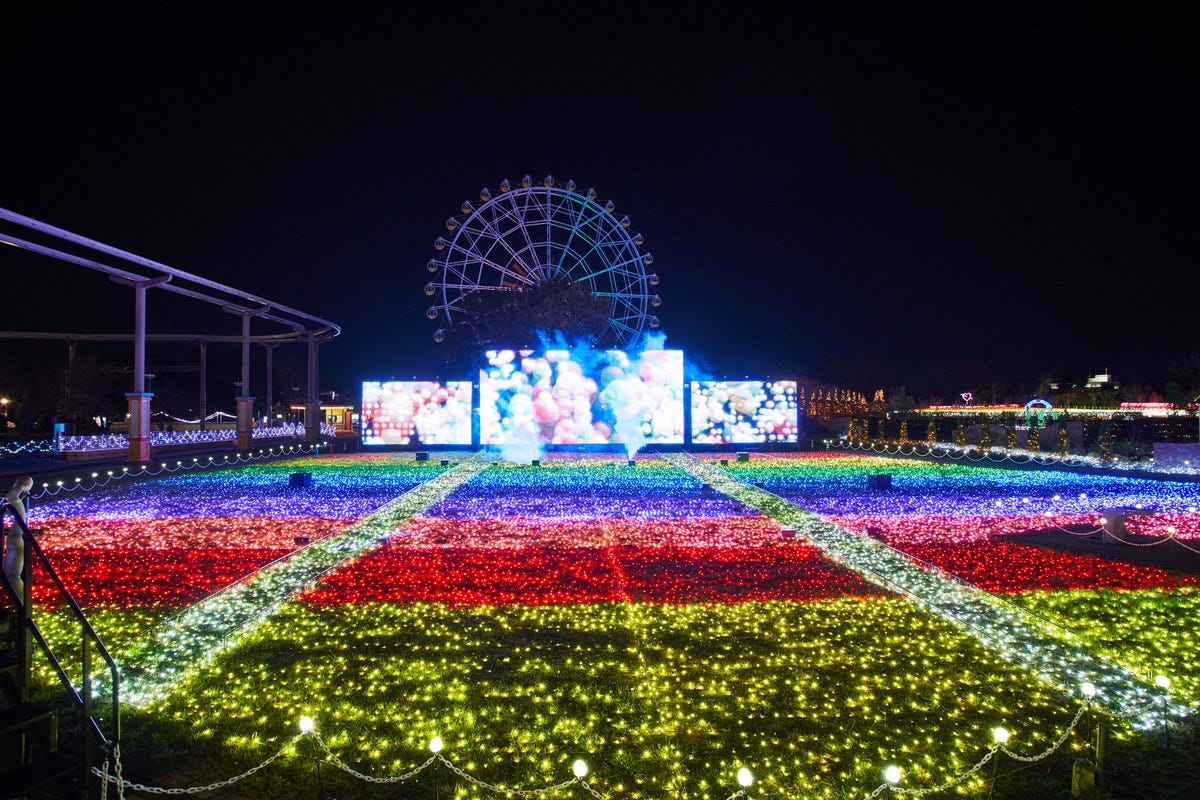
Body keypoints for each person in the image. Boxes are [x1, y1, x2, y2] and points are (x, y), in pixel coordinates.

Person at [3, 476, 34, 597]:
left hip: (15, 537)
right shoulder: (16, 499)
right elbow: (12, 497)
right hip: (16, 538)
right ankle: (21, 602)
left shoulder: (15, 499)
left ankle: (20, 601)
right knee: (13, 575)